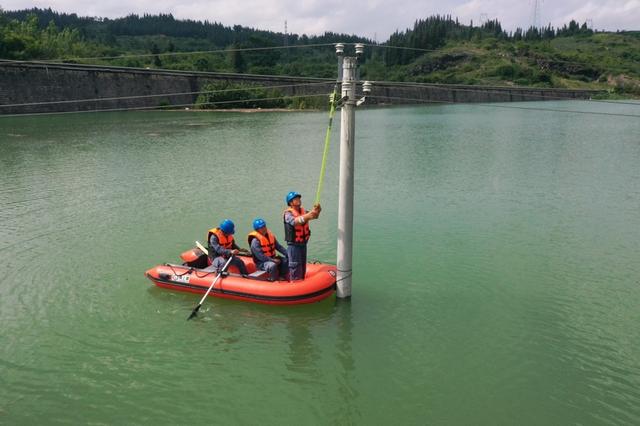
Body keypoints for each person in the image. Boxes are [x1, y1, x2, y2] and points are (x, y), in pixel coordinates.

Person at [283, 191, 321, 280]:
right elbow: (294, 222)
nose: (298, 200)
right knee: (295, 267)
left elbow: (314, 216)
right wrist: (309, 215)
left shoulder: (303, 211)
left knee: (303, 266)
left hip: (303, 244)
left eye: (299, 198)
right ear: (290, 203)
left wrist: (318, 210)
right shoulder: (288, 214)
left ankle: (302, 281)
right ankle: (294, 283)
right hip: (294, 246)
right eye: (295, 199)